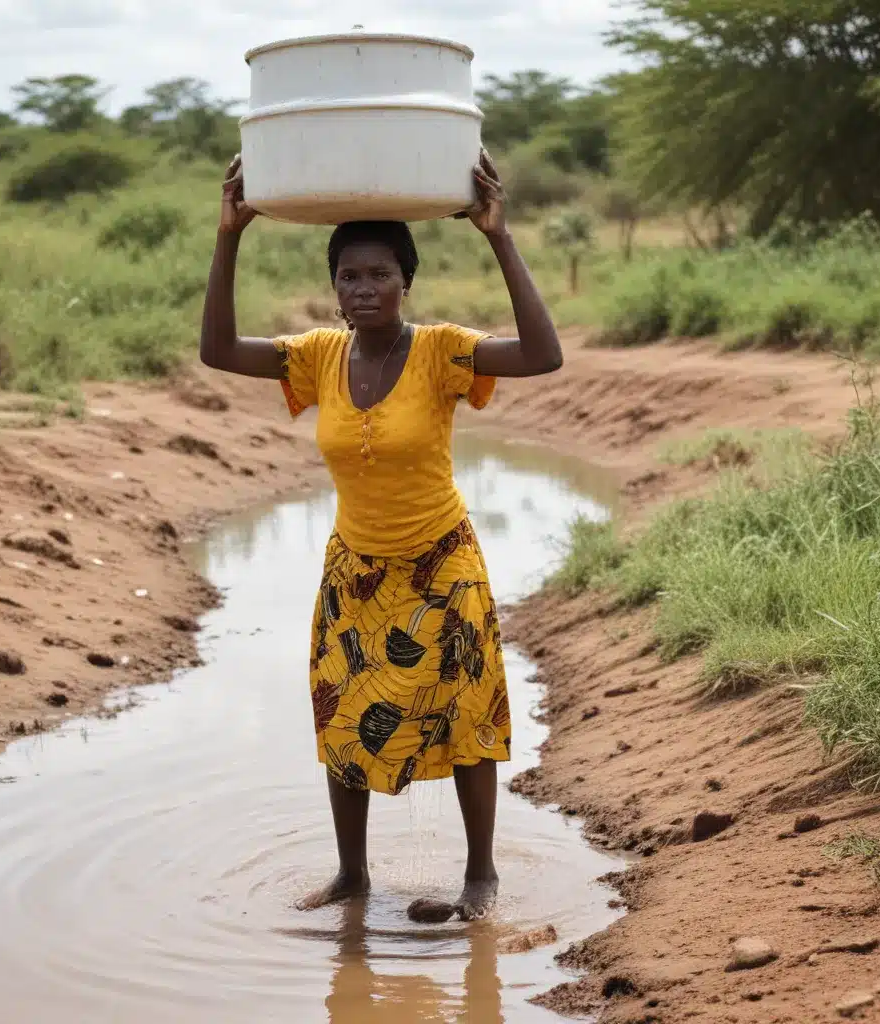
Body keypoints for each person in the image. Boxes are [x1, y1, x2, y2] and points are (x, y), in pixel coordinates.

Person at [201, 149, 563, 923]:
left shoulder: (442, 350)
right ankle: (353, 875)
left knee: (468, 717)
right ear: (333, 289)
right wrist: (229, 232)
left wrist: (499, 236)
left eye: (379, 276)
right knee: (341, 719)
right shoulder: (317, 358)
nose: (363, 290)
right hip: (355, 572)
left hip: (442, 563)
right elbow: (218, 351)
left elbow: (544, 355)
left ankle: (481, 877)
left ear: (406, 282)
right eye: (349, 277)